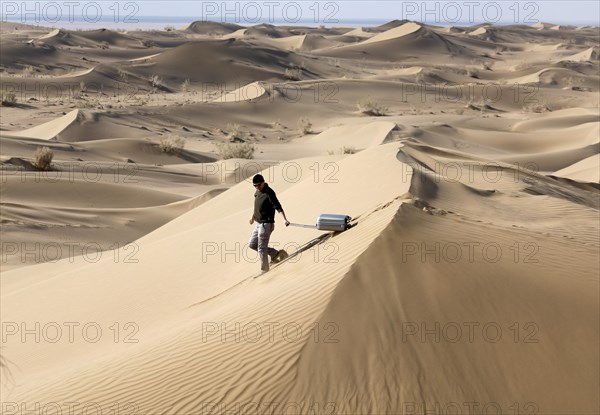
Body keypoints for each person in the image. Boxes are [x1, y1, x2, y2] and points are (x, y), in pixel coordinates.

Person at [248, 174, 290, 273]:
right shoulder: (257, 192)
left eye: (258, 185)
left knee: (261, 248)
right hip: (258, 224)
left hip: (266, 224)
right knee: (252, 244)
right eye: (255, 185)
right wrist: (252, 217)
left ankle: (265, 271)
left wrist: (284, 219)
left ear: (263, 182)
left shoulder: (269, 193)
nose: (257, 187)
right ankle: (276, 254)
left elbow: (278, 206)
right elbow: (257, 206)